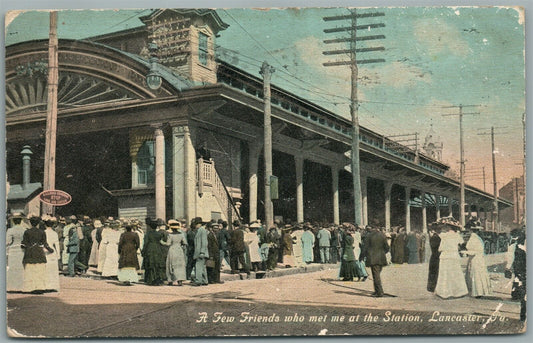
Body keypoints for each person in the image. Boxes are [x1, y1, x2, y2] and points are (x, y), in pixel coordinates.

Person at [434, 217, 468, 299]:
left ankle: (445, 292)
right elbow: (461, 244)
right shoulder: (457, 236)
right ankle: (459, 292)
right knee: (456, 273)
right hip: (454, 256)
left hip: (445, 256)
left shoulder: (443, 235)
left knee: (445, 274)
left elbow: (440, 248)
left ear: (448, 227)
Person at [21, 216, 53, 293]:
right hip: (39, 252)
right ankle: (39, 287)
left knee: (29, 270)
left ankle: (29, 288)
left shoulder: (27, 232)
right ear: (38, 223)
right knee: (39, 270)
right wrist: (50, 250)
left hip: (30, 253)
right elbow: (45, 244)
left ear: (30, 223)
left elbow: (24, 244)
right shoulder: (42, 232)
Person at [362, 226, 390, 297]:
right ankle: (377, 290)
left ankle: (379, 292)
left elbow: (365, 247)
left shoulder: (368, 236)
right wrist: (382, 253)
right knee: (377, 274)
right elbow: (387, 247)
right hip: (381, 257)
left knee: (376, 275)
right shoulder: (382, 235)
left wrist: (363, 256)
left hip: (373, 258)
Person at [464, 230, 491, 297]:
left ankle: (478, 292)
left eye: (468, 231)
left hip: (475, 259)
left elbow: (474, 252)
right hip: (478, 259)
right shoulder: (477, 239)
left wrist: (465, 252)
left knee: (476, 275)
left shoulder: (474, 239)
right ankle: (479, 291)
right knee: (479, 275)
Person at [160, 220, 187, 286]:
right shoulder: (181, 234)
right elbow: (185, 243)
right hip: (179, 249)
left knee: (170, 264)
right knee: (180, 265)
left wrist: (162, 242)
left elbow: (168, 243)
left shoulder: (170, 235)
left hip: (172, 249)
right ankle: (180, 280)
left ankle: (170, 280)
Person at [141, 218, 166, 285]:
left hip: (150, 248)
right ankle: (157, 279)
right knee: (157, 264)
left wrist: (143, 251)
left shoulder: (148, 234)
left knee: (150, 264)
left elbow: (146, 243)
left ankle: (150, 279)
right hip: (158, 249)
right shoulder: (159, 234)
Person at [6, 213, 26, 292]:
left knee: (13, 269)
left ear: (13, 221)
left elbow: (7, 241)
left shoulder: (10, 230)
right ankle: (21, 286)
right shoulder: (24, 230)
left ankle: (12, 286)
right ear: (21, 221)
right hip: (22, 251)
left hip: (13, 251)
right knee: (21, 269)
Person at [43, 216, 60, 291]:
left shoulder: (43, 232)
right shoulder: (55, 233)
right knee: (52, 270)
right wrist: (58, 255)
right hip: (53, 251)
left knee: (46, 269)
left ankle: (46, 285)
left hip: (45, 251)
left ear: (45, 224)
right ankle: (53, 286)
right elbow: (57, 245)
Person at [191, 217, 209, 286]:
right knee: (203, 267)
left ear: (199, 224)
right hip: (200, 252)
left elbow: (204, 242)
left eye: (196, 224)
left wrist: (202, 252)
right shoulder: (200, 230)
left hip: (200, 252)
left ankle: (198, 281)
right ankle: (204, 280)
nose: (195, 225)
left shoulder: (202, 230)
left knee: (198, 266)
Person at [427, 225, 441, 292]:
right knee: (434, 272)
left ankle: (431, 287)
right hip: (436, 257)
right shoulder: (436, 237)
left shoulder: (434, 237)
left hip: (434, 256)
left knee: (433, 272)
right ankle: (432, 287)